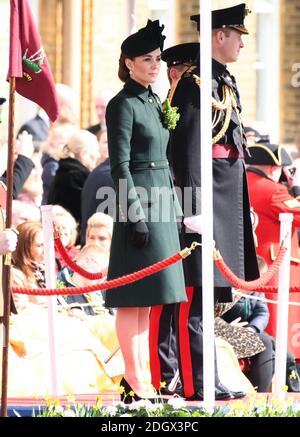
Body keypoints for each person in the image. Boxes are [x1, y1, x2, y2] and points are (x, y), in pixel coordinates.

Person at [160, 4, 259, 401]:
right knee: (196, 293)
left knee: (210, 294)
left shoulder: (222, 80)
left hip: (225, 200)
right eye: (236, 35)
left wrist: (241, 205)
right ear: (219, 35)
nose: (240, 43)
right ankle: (195, 381)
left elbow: (233, 151)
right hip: (206, 202)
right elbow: (191, 151)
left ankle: (205, 376)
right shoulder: (196, 83)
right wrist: (194, 206)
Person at [104, 19, 186, 402]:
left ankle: (143, 380)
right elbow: (119, 164)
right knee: (131, 297)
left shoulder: (153, 100)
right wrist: (134, 212)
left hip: (163, 202)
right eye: (147, 59)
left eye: (157, 59)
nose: (155, 65)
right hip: (138, 201)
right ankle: (134, 380)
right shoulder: (123, 104)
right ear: (128, 63)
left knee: (151, 297)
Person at [245, 142, 300, 360]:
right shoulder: (273, 190)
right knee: (277, 322)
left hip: (248, 263)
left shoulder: (240, 183)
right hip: (272, 268)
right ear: (273, 168)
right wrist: (295, 189)